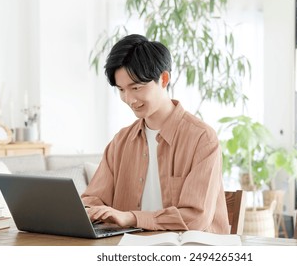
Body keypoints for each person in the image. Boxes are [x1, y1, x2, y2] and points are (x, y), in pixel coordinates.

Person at [81, 34, 229, 234]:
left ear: (164, 79)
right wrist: (88, 211)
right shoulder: (121, 142)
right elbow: (92, 200)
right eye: (122, 90)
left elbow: (196, 218)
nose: (129, 99)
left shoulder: (202, 139)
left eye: (136, 88)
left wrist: (131, 218)